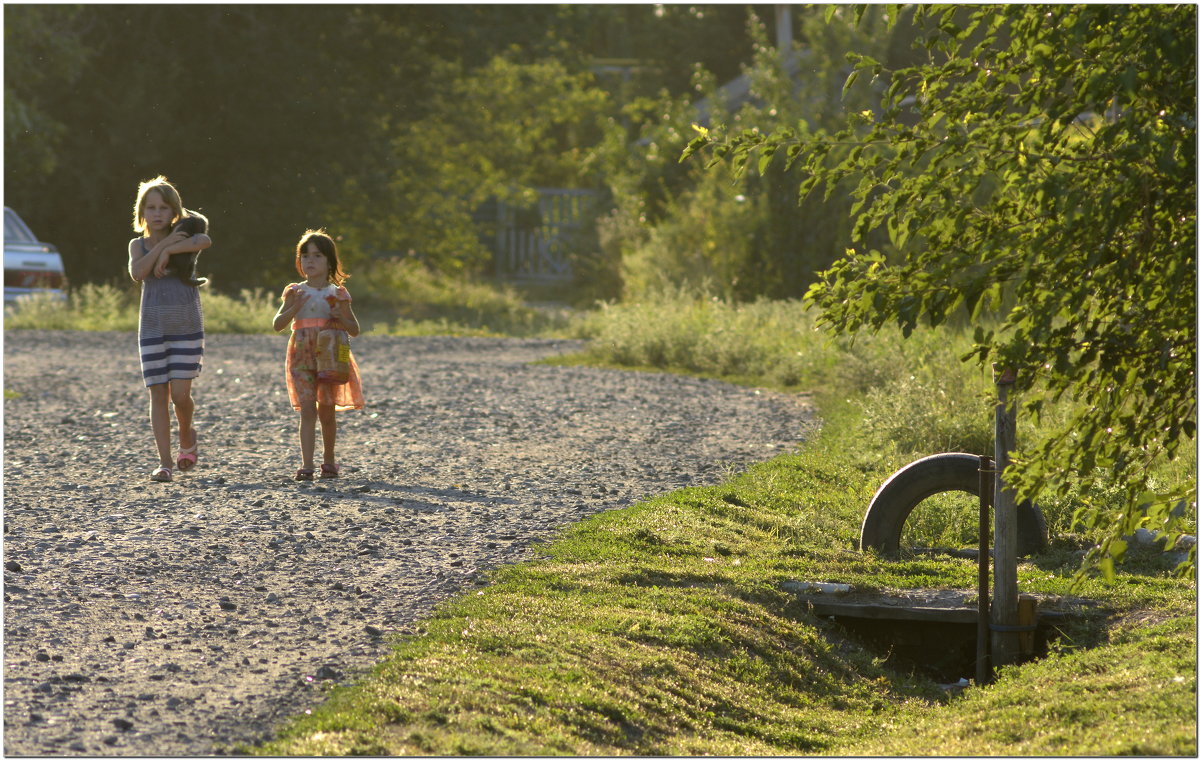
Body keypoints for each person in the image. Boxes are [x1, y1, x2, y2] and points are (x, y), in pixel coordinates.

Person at [127, 175, 212, 482]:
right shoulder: (138, 245)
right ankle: (165, 462)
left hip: (186, 324)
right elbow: (138, 272)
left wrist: (169, 251)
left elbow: (205, 241)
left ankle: (188, 435)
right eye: (151, 207)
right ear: (142, 213)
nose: (157, 213)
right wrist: (161, 248)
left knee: (180, 394)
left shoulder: (186, 237)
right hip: (152, 328)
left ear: (174, 211)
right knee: (158, 394)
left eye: (164, 207)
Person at [272, 229, 364, 480]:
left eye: (317, 256)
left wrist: (340, 316)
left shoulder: (337, 294)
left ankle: (329, 461)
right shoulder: (295, 292)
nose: (309, 261)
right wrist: (294, 308)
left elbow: (354, 329)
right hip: (301, 354)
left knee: (326, 409)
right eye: (305, 256)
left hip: (329, 355)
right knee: (307, 409)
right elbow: (278, 324)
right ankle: (307, 464)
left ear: (329, 262)